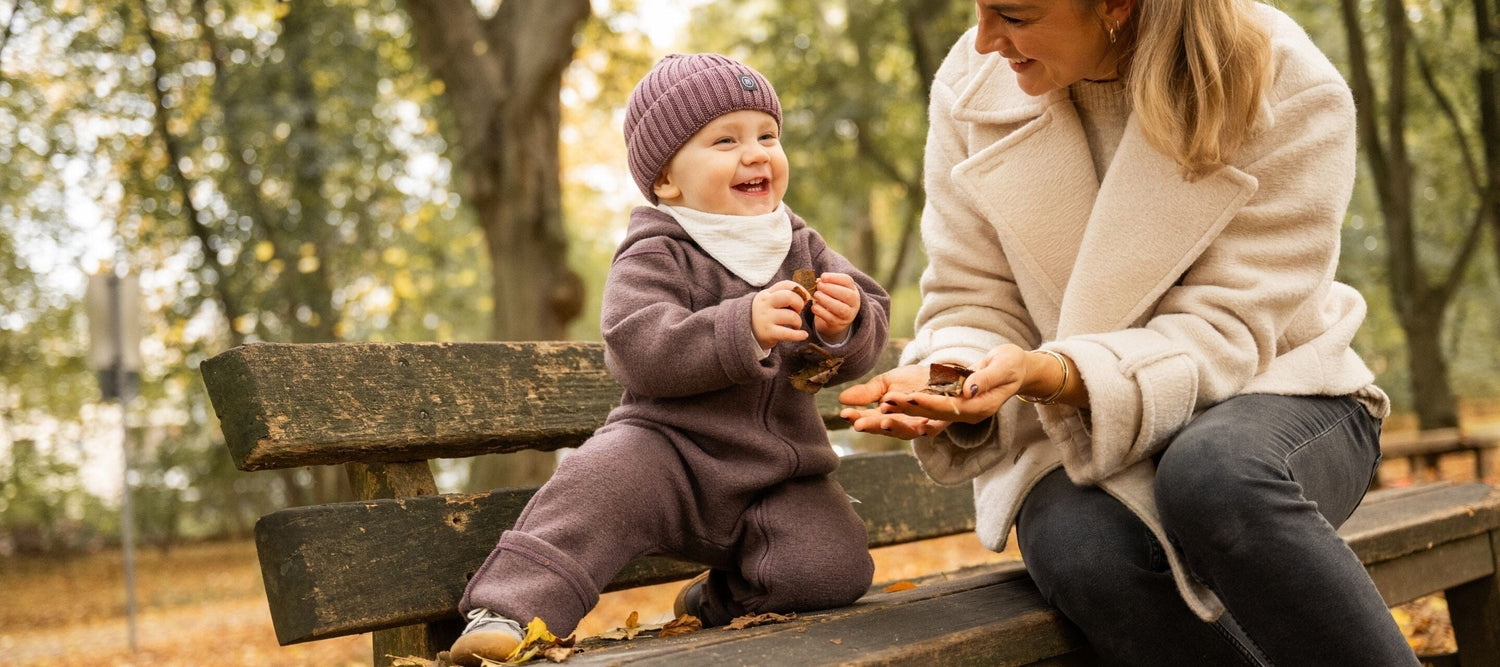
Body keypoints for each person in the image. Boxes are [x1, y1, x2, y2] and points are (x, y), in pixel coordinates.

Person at [838, 0, 1418, 664]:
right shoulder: (972, 87)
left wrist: (1058, 374)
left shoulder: (1284, 83)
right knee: (1084, 552)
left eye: (1014, 15)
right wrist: (954, 367)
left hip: (1279, 393)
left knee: (1212, 475)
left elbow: (1226, 327)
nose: (984, 39)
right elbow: (973, 293)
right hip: (1074, 433)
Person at [448, 53, 891, 666]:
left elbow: (868, 330)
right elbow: (637, 346)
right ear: (666, 180)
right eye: (726, 140)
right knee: (599, 485)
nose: (757, 152)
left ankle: (719, 598)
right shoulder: (657, 249)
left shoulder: (801, 244)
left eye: (768, 135)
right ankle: (509, 611)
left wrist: (849, 324)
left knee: (831, 566)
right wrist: (743, 325)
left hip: (779, 469)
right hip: (669, 453)